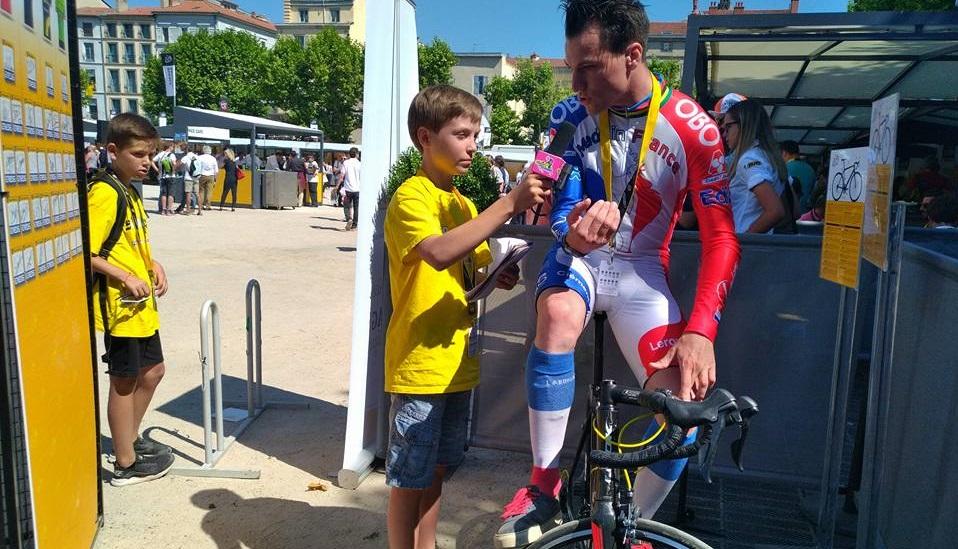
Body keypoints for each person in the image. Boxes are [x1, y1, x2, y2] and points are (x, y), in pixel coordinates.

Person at [495, 2, 740, 547]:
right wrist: (570, 234)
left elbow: (723, 237)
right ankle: (544, 484)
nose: (576, 82)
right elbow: (552, 206)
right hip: (582, 262)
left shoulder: (694, 129)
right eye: (570, 68)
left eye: (588, 68)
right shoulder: (566, 116)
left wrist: (701, 332)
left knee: (685, 399)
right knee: (557, 312)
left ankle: (635, 524)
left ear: (632, 56)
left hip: (642, 272)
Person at [384, 84, 546, 549]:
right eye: (461, 134)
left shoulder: (463, 204)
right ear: (425, 138)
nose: (473, 145)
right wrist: (510, 203)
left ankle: (426, 543)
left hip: (457, 361)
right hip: (420, 364)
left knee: (438, 467)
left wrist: (500, 272)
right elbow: (436, 253)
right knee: (408, 475)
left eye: (475, 134)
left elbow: (468, 267)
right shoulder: (411, 198)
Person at [87, 113, 174, 486]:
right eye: (139, 154)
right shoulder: (104, 193)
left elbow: (127, 243)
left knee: (153, 372)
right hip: (119, 310)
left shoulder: (128, 191)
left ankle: (129, 439)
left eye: (150, 154)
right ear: (112, 150)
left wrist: (153, 264)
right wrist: (123, 276)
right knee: (123, 382)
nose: (147, 162)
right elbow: (85, 251)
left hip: (140, 309)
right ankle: (125, 463)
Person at [720, 100, 787, 234]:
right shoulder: (769, 157)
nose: (724, 134)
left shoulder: (749, 158)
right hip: (761, 245)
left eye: (728, 127)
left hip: (747, 247)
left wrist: (744, 240)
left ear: (744, 125)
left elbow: (775, 211)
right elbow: (794, 210)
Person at [781, 140, 816, 214]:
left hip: (789, 212)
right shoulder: (810, 169)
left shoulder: (783, 169)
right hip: (807, 212)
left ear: (784, 153)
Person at [152, 143, 177, 216]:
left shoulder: (160, 154)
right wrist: (174, 170)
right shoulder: (172, 155)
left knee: (163, 194)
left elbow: (152, 161)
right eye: (172, 147)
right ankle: (168, 210)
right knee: (171, 194)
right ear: (170, 147)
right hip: (171, 176)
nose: (173, 148)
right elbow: (174, 164)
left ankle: (163, 210)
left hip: (162, 176)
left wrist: (157, 170)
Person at [341, 147, 361, 230]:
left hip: (347, 188)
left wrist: (336, 186)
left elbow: (342, 175)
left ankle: (349, 218)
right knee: (356, 207)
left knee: (346, 205)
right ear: (356, 154)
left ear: (349, 154)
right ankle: (354, 224)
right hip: (357, 189)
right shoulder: (360, 164)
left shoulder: (346, 163)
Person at [196, 145, 219, 214]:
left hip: (202, 175)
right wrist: (215, 179)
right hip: (211, 176)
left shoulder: (199, 157)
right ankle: (208, 205)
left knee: (201, 191)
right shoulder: (213, 158)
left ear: (203, 150)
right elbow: (216, 171)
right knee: (209, 191)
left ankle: (201, 205)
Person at [179, 145, 199, 216]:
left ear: (186, 150)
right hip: (196, 177)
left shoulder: (186, 157)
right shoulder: (197, 156)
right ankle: (200, 210)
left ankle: (188, 210)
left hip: (188, 178)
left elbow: (179, 164)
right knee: (197, 194)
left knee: (188, 194)